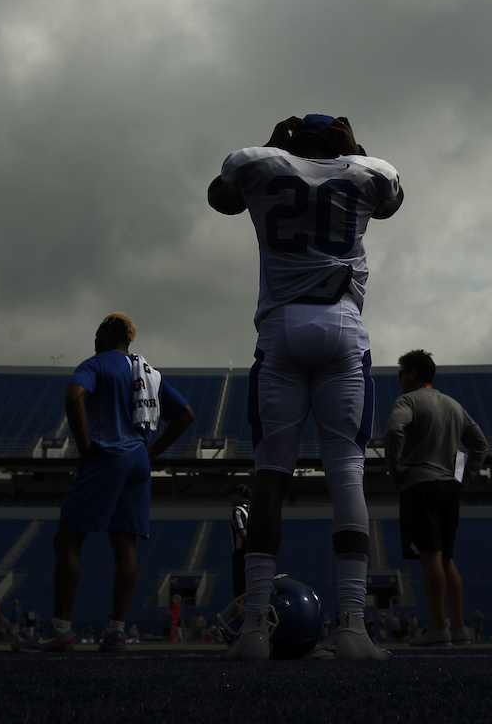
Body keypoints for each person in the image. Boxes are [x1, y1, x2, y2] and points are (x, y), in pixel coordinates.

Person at [208, 114, 404, 661]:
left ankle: (252, 629)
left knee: (270, 474)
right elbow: (392, 202)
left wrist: (273, 145)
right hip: (343, 327)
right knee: (346, 473)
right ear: (342, 143)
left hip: (280, 328)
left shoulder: (260, 164)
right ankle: (354, 627)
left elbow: (219, 198)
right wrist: (356, 147)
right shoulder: (369, 170)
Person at [13, 313, 195, 653]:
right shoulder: (148, 371)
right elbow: (186, 414)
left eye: (99, 329)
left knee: (67, 537)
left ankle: (61, 628)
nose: (95, 335)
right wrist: (154, 449)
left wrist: (83, 445)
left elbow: (74, 396)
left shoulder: (96, 364)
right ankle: (116, 630)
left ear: (112, 331)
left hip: (107, 454)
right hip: (139, 459)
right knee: (125, 544)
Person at [383, 349, 487, 647]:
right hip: (448, 486)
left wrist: (394, 470)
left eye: (400, 373)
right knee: (447, 559)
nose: (399, 379)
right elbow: (480, 446)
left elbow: (393, 430)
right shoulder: (454, 405)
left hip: (420, 484)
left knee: (429, 555)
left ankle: (438, 627)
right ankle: (458, 626)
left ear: (413, 373)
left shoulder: (408, 400)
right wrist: (462, 480)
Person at [228, 484, 250, 604]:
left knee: (239, 593)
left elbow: (243, 534)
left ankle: (235, 621)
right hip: (253, 554)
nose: (230, 498)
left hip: (241, 553)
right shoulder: (252, 510)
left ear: (238, 495)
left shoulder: (237, 511)